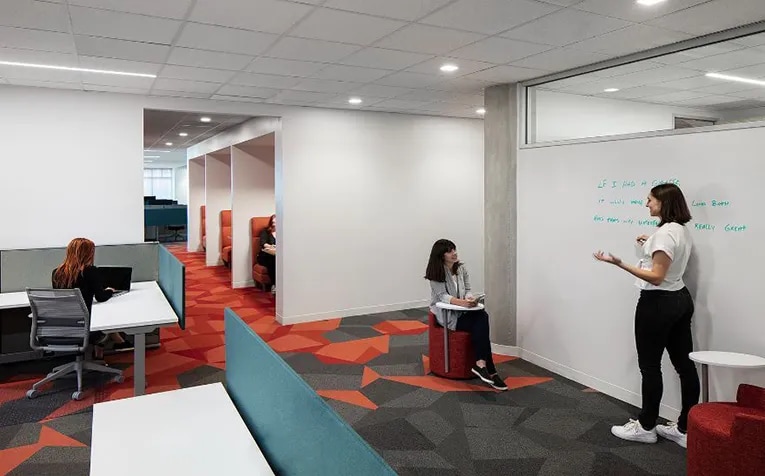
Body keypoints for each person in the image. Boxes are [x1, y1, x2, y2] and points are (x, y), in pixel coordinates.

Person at [593, 183, 700, 448]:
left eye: (650, 199)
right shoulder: (680, 230)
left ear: (664, 203)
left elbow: (656, 277)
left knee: (650, 367)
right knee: (684, 366)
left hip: (658, 303)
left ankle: (646, 426)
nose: (646, 204)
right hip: (680, 299)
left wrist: (619, 263)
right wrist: (648, 245)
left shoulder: (665, 235)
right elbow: (666, 266)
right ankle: (685, 429)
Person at [425, 239, 507, 391]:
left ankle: (482, 365)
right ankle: (491, 371)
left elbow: (468, 289)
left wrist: (469, 298)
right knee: (482, 322)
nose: (454, 253)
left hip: (462, 311)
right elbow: (443, 296)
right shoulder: (436, 273)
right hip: (448, 315)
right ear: (441, 255)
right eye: (449, 251)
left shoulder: (461, 269)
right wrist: (462, 303)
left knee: (482, 318)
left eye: (454, 249)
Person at [52, 238, 130, 358]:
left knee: (101, 314)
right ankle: (118, 342)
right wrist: (109, 291)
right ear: (88, 254)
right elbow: (100, 297)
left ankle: (109, 347)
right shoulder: (90, 271)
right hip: (85, 327)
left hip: (62, 326)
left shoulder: (56, 273)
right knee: (106, 317)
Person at [257, 214, 277, 294]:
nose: (274, 221)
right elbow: (263, 243)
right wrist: (271, 246)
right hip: (265, 255)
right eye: (273, 220)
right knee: (273, 260)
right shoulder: (265, 231)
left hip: (277, 254)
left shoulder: (283, 231)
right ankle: (275, 284)